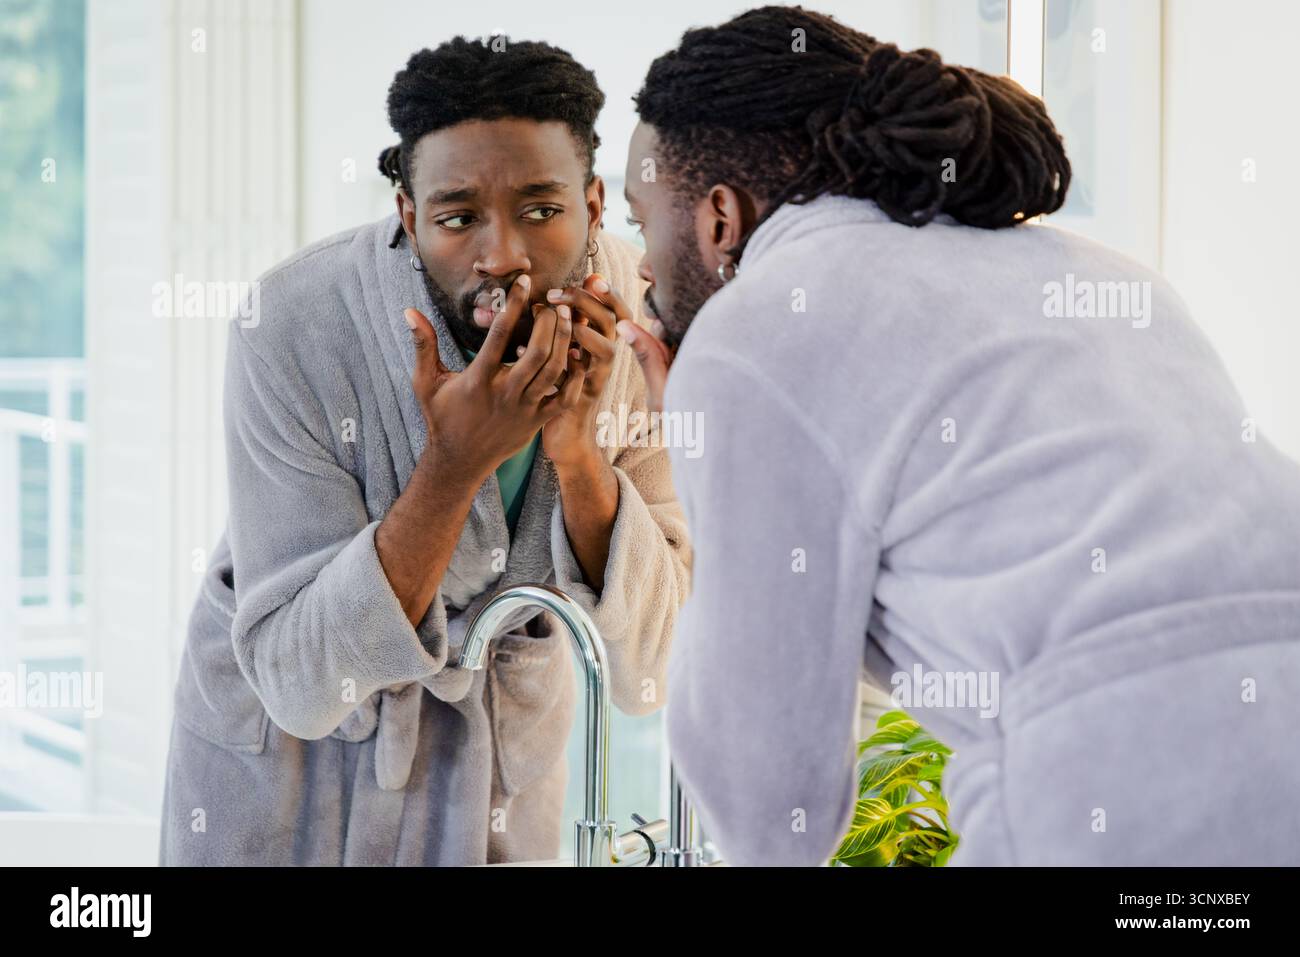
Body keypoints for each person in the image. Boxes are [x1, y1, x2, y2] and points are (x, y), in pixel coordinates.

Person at [617, 6, 1300, 866]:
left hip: (1129, 785)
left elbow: (771, 809)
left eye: (642, 220)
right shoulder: (1101, 272)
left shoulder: (756, 330)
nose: (642, 265)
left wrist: (705, 441)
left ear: (719, 217)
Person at [160, 36, 690, 866]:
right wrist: (453, 465)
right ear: (409, 217)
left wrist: (580, 456)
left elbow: (652, 667)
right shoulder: (292, 322)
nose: (502, 255)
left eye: (542, 210)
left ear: (594, 202)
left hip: (496, 767)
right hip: (291, 775)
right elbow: (302, 683)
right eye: (457, 218)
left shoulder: (636, 325)